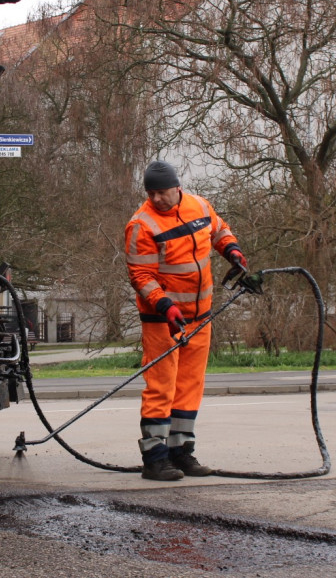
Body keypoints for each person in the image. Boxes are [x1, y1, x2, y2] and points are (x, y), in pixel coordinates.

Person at [124, 161, 246, 481]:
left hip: (200, 316)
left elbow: (219, 231)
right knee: (161, 386)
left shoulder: (200, 206)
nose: (157, 199)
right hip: (162, 320)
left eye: (162, 192)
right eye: (151, 193)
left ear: (177, 188)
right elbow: (141, 276)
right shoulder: (142, 224)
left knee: (190, 385)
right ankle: (155, 457)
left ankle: (181, 451)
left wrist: (232, 251)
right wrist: (164, 305)